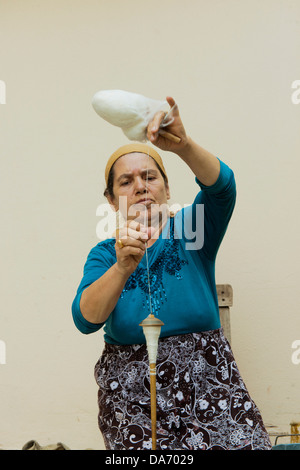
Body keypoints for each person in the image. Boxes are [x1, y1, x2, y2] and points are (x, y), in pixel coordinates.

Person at [72, 97, 272, 450]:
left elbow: (223, 188)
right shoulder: (105, 255)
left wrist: (184, 145)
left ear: (166, 188)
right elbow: (86, 318)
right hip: (132, 394)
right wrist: (122, 267)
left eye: (149, 176)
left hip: (209, 385)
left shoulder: (192, 233)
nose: (140, 186)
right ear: (111, 199)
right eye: (126, 182)